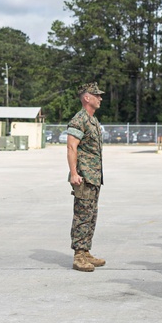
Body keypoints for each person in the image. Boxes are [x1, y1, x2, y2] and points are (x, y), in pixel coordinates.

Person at [66, 82, 107, 273]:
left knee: (91, 215)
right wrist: (74, 173)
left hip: (93, 177)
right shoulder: (79, 120)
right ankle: (78, 255)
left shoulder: (92, 120)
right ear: (86, 98)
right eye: (96, 95)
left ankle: (86, 251)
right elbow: (71, 147)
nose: (100, 98)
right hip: (83, 176)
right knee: (82, 216)